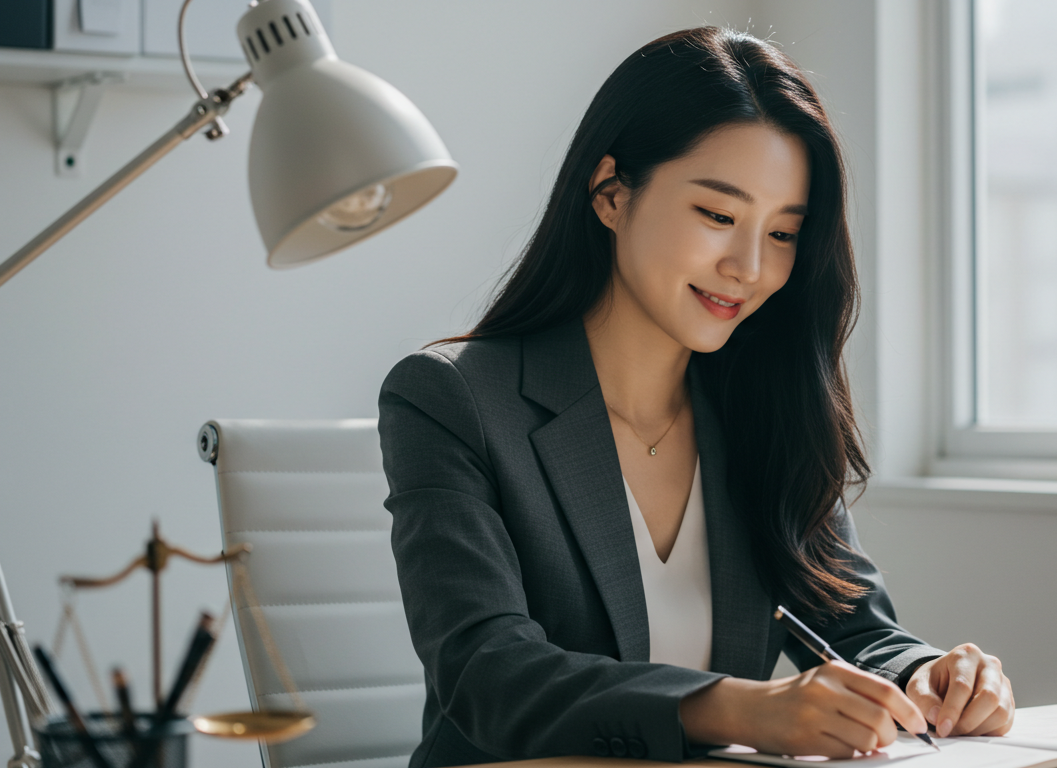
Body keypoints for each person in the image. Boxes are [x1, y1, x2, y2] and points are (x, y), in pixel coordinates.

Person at [378, 26, 1015, 767]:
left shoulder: (763, 405)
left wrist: (929, 673)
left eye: (782, 233)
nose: (749, 267)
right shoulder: (452, 399)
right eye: (718, 216)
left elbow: (857, 626)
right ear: (611, 192)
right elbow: (487, 673)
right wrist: (742, 707)